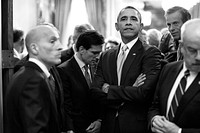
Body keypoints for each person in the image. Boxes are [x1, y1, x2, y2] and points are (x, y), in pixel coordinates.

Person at [90, 6, 162, 133]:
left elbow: (143, 93)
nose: (128, 22)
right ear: (117, 26)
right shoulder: (106, 55)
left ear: (141, 26)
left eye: (133, 19)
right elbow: (95, 92)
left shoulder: (150, 53)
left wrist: (108, 89)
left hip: (135, 126)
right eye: (124, 19)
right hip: (108, 125)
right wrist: (131, 88)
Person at [4, 24, 65, 133]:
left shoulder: (30, 74)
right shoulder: (33, 81)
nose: (60, 46)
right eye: (52, 41)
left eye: (58, 41)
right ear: (34, 48)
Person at [148, 18, 200, 133]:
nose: (198, 57)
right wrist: (154, 119)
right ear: (181, 47)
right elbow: (154, 105)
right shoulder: (168, 69)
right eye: (192, 50)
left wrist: (179, 131)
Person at [57, 30, 104, 133]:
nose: (97, 57)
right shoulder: (63, 70)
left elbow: (99, 99)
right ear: (82, 49)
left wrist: (100, 120)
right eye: (94, 53)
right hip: (76, 128)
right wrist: (70, 130)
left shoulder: (96, 67)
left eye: (99, 53)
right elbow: (66, 106)